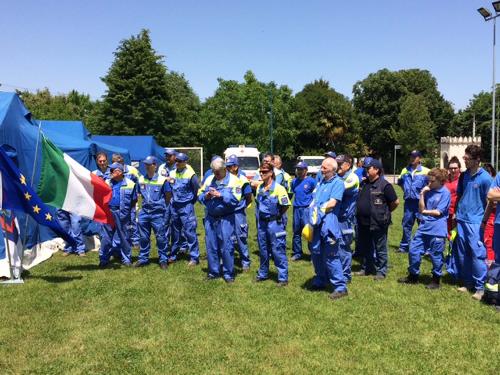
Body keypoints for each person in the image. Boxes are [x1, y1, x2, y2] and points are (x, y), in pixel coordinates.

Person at [398, 168, 451, 289]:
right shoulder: (428, 191)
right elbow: (421, 208)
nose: (429, 183)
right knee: (413, 250)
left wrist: (425, 212)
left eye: (432, 181)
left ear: (441, 181)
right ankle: (413, 276)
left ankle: (436, 280)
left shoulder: (445, 193)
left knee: (436, 255)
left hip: (437, 229)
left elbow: (438, 212)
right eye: (428, 181)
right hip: (424, 227)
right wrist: (422, 194)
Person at [454, 145, 491, 300]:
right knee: (463, 253)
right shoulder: (464, 176)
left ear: (477, 160)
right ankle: (467, 283)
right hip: (461, 219)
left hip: (475, 222)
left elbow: (490, 201)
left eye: (467, 159)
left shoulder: (485, 178)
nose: (465, 161)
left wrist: (483, 221)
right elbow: (460, 195)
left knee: (477, 254)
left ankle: (480, 288)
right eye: (465, 158)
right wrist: (457, 213)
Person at [199, 158, 244, 282]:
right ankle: (214, 272)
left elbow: (236, 200)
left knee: (227, 246)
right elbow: (199, 195)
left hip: (226, 218)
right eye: (214, 171)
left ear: (225, 169)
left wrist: (221, 195)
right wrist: (206, 196)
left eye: (218, 171)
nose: (216, 174)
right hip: (210, 218)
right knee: (211, 246)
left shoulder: (235, 181)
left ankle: (229, 274)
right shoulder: (209, 179)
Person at [308, 157, 346, 299]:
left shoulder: (338, 183)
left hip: (328, 224)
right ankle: (321, 280)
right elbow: (315, 199)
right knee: (316, 253)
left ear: (332, 169)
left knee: (331, 256)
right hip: (316, 223)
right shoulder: (321, 182)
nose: (321, 170)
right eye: (322, 167)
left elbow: (332, 202)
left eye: (324, 168)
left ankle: (340, 287)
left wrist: (319, 211)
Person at [355, 159, 399, 279]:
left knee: (380, 247)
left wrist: (385, 212)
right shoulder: (363, 183)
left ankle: (381, 271)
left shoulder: (385, 185)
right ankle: (367, 268)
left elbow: (395, 202)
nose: (366, 170)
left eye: (368, 168)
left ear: (376, 170)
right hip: (363, 222)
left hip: (378, 222)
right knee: (366, 247)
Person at [254, 162, 290, 286]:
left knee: (277, 249)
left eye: (264, 171)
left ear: (271, 173)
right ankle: (263, 273)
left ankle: (282, 277)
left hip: (274, 224)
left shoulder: (279, 188)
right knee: (263, 249)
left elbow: (285, 205)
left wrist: (278, 215)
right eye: (260, 171)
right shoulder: (259, 188)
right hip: (262, 224)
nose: (261, 173)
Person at [134, 156, 171, 269]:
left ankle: (163, 259)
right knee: (144, 237)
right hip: (144, 212)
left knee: (160, 237)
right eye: (145, 164)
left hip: (158, 214)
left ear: (155, 165)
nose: (146, 166)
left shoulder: (162, 180)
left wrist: (160, 205)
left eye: (149, 164)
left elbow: (168, 196)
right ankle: (143, 258)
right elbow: (138, 193)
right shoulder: (140, 179)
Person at [99, 163, 138, 267]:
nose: (110, 173)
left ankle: (126, 259)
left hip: (123, 213)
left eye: (112, 171)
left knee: (125, 237)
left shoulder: (130, 184)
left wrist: (128, 213)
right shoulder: (106, 182)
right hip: (108, 213)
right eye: (110, 171)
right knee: (106, 237)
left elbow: (134, 201)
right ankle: (103, 259)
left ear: (120, 172)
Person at [168, 152, 200, 266]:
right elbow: (170, 186)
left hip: (186, 206)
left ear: (185, 162)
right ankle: (173, 255)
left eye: (179, 161)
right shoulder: (172, 172)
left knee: (190, 231)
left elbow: (196, 189)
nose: (177, 163)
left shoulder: (191, 174)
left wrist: (191, 201)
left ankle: (194, 257)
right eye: (176, 160)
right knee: (175, 232)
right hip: (174, 206)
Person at [397, 150, 429, 253]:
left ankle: (424, 247)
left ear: (419, 158)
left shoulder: (426, 171)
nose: (412, 158)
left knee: (423, 224)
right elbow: (400, 182)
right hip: (408, 202)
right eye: (411, 156)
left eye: (414, 157)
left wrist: (423, 195)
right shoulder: (404, 170)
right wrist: (407, 191)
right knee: (406, 224)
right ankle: (405, 246)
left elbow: (431, 185)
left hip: (421, 202)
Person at [335, 154, 359, 283]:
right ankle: (337, 272)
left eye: (340, 164)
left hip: (345, 219)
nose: (337, 166)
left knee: (344, 247)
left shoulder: (352, 177)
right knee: (334, 245)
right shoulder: (338, 177)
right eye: (336, 163)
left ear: (348, 165)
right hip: (335, 216)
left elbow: (339, 189)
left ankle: (345, 275)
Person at [226, 154, 252, 270]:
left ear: (235, 167)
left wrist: (241, 207)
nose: (227, 168)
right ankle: (228, 260)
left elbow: (248, 197)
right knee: (227, 236)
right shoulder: (226, 177)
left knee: (240, 237)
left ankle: (245, 261)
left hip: (238, 213)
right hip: (226, 212)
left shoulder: (242, 179)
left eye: (229, 166)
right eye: (227, 166)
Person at [112, 153, 140, 247]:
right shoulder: (112, 170)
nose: (118, 162)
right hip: (117, 201)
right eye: (115, 161)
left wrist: (137, 193)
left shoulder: (132, 169)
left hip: (130, 199)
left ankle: (135, 240)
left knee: (132, 220)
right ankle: (122, 240)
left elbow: (139, 181)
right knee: (121, 223)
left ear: (123, 160)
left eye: (119, 160)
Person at [290, 161, 316, 261]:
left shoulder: (311, 181)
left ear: (306, 170)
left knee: (309, 232)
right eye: (298, 169)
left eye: (301, 169)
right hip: (296, 209)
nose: (299, 171)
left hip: (307, 209)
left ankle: (313, 253)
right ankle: (297, 253)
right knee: (296, 232)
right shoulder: (294, 181)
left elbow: (315, 193)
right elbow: (293, 191)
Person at [481, 163, 496, 267]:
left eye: (490, 173)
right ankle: (489, 267)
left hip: (495, 216)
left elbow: (493, 202)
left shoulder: (496, 184)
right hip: (487, 216)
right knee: (488, 242)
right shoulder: (483, 185)